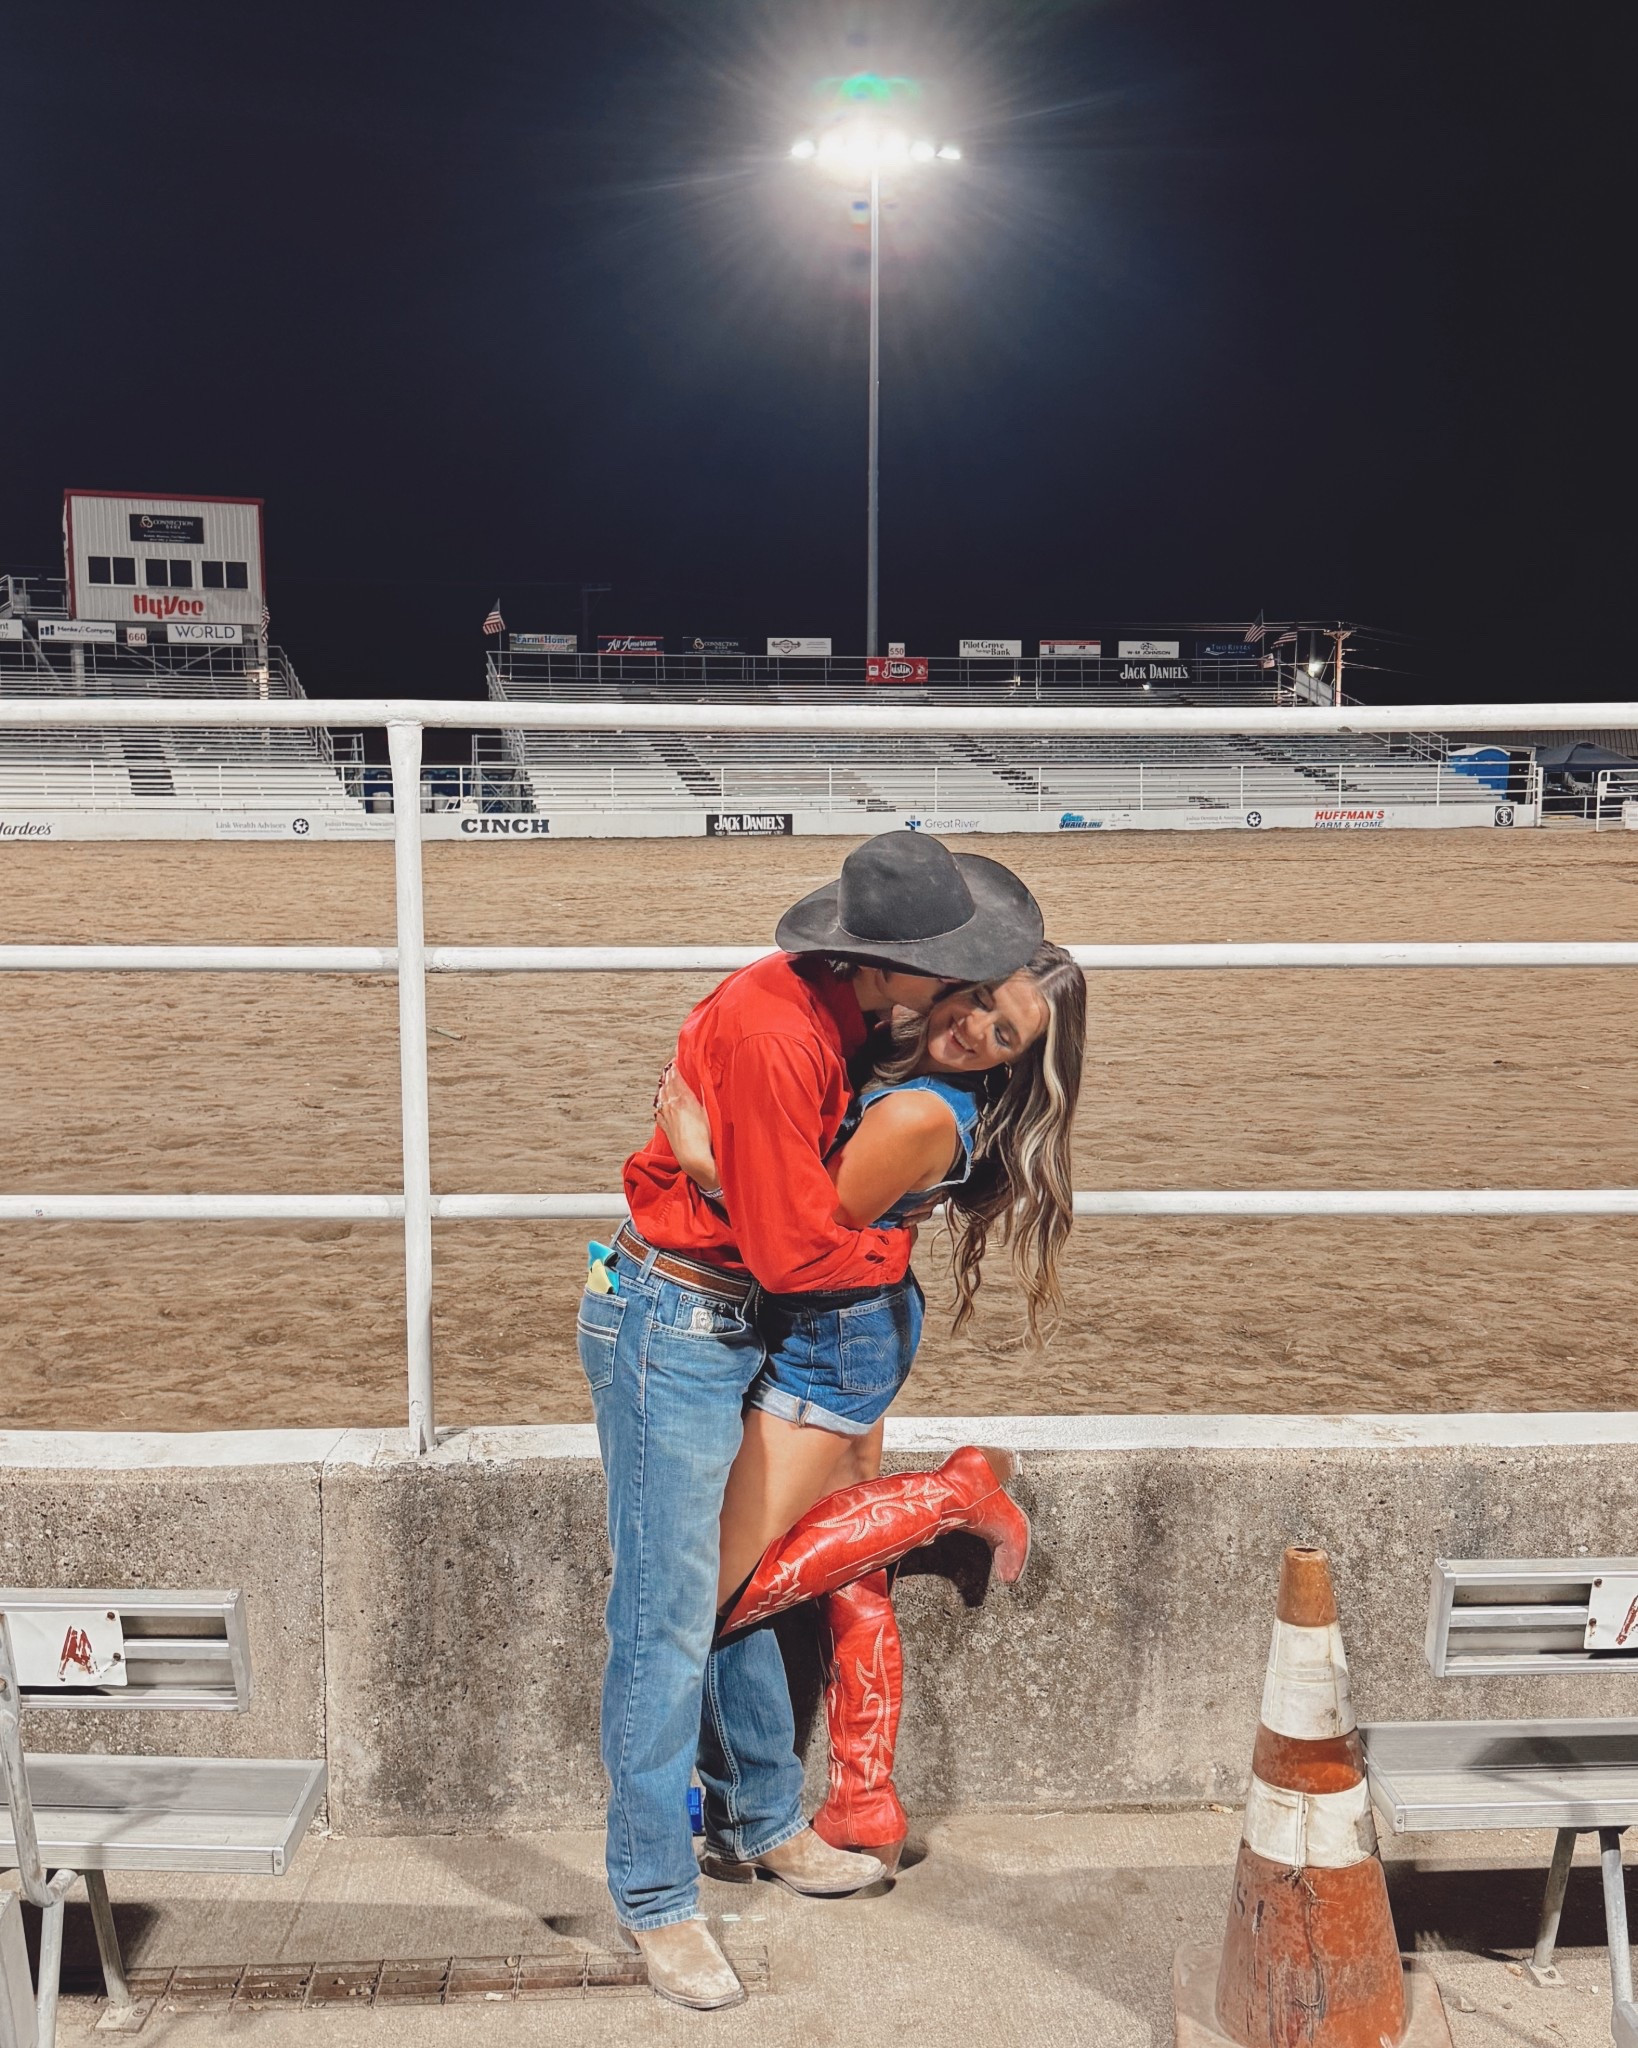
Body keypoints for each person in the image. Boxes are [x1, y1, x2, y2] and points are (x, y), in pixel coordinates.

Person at [576, 830, 1042, 2011]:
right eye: (948, 967)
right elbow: (796, 1251)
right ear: (883, 964)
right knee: (668, 1611)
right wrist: (888, 1245)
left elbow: (779, 1211)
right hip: (677, 1316)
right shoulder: (782, 1033)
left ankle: (764, 1819)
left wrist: (712, 1160)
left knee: (735, 1587)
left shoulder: (837, 1019)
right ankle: (654, 1898)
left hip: (722, 1314)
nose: (959, 988)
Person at [655, 942, 1086, 1872]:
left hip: (834, 1336)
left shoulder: (923, 1111)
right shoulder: (903, 1068)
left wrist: (706, 1164)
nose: (968, 1027)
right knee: (851, 1559)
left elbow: (804, 1232)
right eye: (972, 999)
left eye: (1000, 1033)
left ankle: (955, 1496)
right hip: (849, 1321)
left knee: (712, 1592)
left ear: (1018, 1059)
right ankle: (862, 1798)